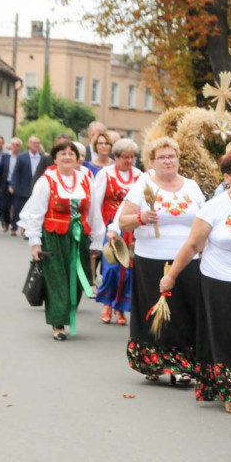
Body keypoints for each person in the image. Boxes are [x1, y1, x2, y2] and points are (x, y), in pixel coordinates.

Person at [163, 150, 231, 414]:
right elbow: (193, 244)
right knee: (227, 335)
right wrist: (171, 275)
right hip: (219, 279)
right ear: (226, 177)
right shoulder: (214, 206)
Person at [118, 137, 206, 384]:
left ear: (179, 160)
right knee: (155, 313)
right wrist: (141, 217)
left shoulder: (191, 186)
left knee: (184, 311)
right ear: (152, 162)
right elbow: (122, 220)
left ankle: (183, 366)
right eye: (162, 157)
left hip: (188, 259)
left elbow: (205, 221)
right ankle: (153, 362)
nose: (168, 161)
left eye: (172, 157)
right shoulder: (143, 185)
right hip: (152, 259)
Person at [18, 139, 97, 339]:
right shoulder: (47, 180)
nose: (68, 157)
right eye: (63, 154)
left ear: (78, 158)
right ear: (55, 158)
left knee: (77, 280)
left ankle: (67, 313)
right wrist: (35, 242)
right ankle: (58, 323)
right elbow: (36, 213)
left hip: (79, 236)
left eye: (72, 154)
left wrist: (96, 239)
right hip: (53, 236)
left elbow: (94, 212)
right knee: (57, 279)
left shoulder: (86, 179)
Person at [89, 139, 141, 325]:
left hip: (132, 227)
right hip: (110, 226)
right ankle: (107, 304)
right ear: (116, 157)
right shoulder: (106, 174)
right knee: (111, 268)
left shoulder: (139, 176)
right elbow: (96, 202)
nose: (129, 161)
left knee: (128, 270)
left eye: (132, 157)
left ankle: (121, 308)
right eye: (125, 157)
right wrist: (98, 229)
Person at [11, 136, 53, 231]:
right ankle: (15, 226)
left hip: (37, 187)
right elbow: (16, 172)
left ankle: (29, 228)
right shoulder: (22, 157)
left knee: (33, 209)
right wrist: (12, 185)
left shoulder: (43, 157)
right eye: (34, 143)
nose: (36, 145)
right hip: (23, 187)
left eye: (38, 143)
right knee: (20, 208)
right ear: (29, 144)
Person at [0, 137, 20, 233]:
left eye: (17, 145)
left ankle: (14, 227)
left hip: (18, 184)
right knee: (5, 206)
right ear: (10, 146)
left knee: (16, 206)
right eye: (13, 144)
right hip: (5, 183)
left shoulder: (22, 157)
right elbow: (0, 171)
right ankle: (6, 222)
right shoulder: (5, 156)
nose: (15, 147)